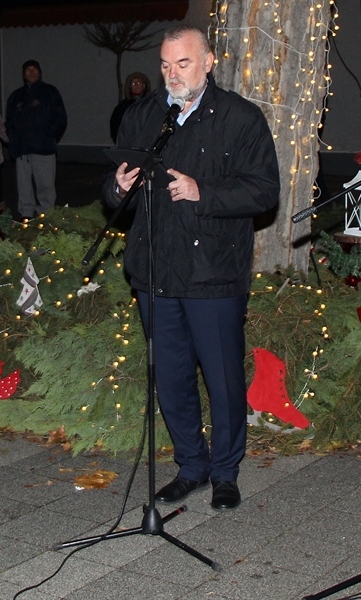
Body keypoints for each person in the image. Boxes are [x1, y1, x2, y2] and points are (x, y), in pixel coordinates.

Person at [105, 26, 279, 510]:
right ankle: (191, 466)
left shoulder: (241, 118)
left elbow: (264, 191)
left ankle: (225, 472)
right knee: (172, 376)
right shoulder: (143, 115)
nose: (172, 74)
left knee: (222, 379)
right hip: (155, 271)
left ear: (208, 62)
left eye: (182, 64)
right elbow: (112, 187)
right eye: (165, 65)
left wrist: (205, 193)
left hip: (213, 272)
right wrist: (118, 189)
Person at [4, 59, 66, 220]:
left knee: (45, 184)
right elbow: (9, 120)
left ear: (40, 72)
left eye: (34, 69)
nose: (31, 73)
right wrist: (13, 137)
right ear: (23, 74)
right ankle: (26, 212)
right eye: (28, 70)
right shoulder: (17, 96)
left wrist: (49, 135)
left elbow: (60, 118)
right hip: (22, 149)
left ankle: (46, 213)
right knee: (24, 185)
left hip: (43, 147)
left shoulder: (50, 92)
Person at [109, 72, 150, 143]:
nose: (136, 85)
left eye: (139, 83)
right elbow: (116, 128)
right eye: (133, 83)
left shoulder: (152, 105)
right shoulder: (122, 108)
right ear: (129, 87)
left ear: (144, 85)